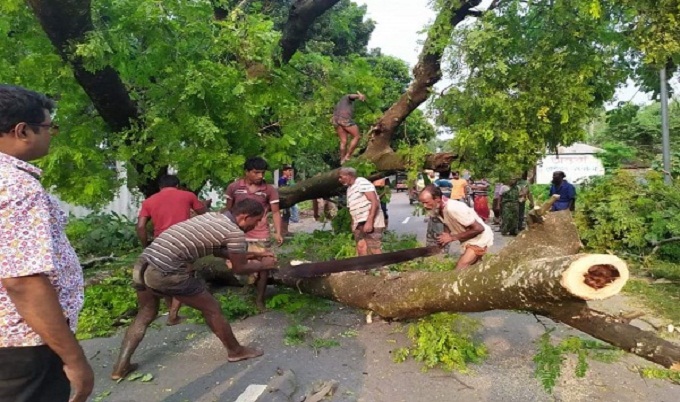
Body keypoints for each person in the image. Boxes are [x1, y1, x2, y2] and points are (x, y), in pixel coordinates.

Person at [111, 199, 278, 380]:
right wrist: (264, 264)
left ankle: (120, 367)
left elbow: (218, 251)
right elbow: (239, 268)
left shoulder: (212, 217)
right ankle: (236, 351)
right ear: (245, 217)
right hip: (165, 271)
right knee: (212, 308)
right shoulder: (234, 232)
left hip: (145, 262)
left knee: (145, 314)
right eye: (257, 220)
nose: (256, 225)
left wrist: (257, 254)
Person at [0, 85, 93, 402]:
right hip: (24, 347)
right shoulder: (15, 186)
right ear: (22, 131)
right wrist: (74, 359)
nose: (51, 134)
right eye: (48, 127)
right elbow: (23, 282)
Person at [137, 174, 210, 325]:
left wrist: (146, 245)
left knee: (165, 273)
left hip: (161, 242)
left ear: (160, 187)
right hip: (182, 240)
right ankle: (173, 314)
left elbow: (141, 226)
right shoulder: (188, 195)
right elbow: (204, 214)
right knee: (184, 274)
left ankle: (171, 309)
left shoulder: (148, 201)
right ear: (177, 185)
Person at [225, 156, 283, 311]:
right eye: (256, 173)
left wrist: (278, 232)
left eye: (262, 173)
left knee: (264, 266)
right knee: (239, 264)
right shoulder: (234, 187)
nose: (260, 176)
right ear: (247, 172)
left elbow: (276, 212)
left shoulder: (269, 190)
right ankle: (248, 289)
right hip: (239, 233)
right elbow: (228, 211)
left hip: (261, 233)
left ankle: (260, 299)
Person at [418, 185, 493, 269]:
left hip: (479, 239)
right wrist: (445, 235)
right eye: (422, 203)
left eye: (426, 202)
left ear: (437, 199)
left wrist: (452, 237)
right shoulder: (437, 208)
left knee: (461, 266)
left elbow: (479, 228)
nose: (424, 206)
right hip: (468, 240)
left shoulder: (453, 208)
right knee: (474, 269)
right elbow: (447, 222)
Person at [338, 167, 385, 256]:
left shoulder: (362, 182)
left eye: (341, 177)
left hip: (370, 220)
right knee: (361, 246)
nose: (339, 180)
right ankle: (364, 268)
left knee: (374, 246)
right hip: (359, 222)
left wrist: (370, 221)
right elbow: (352, 208)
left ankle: (380, 268)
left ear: (349, 175)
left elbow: (374, 201)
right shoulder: (350, 189)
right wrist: (353, 224)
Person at [332, 92, 366, 163]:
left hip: (336, 120)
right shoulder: (346, 97)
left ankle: (342, 160)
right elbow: (350, 96)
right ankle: (348, 156)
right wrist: (358, 96)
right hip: (344, 119)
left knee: (343, 141)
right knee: (357, 136)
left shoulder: (340, 103)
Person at [278, 164, 296, 236]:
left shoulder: (289, 179)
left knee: (287, 214)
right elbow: (283, 189)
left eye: (291, 171)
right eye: (289, 171)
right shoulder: (282, 179)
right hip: (284, 200)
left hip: (288, 199)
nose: (290, 172)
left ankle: (286, 230)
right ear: (284, 171)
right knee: (285, 214)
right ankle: (283, 231)